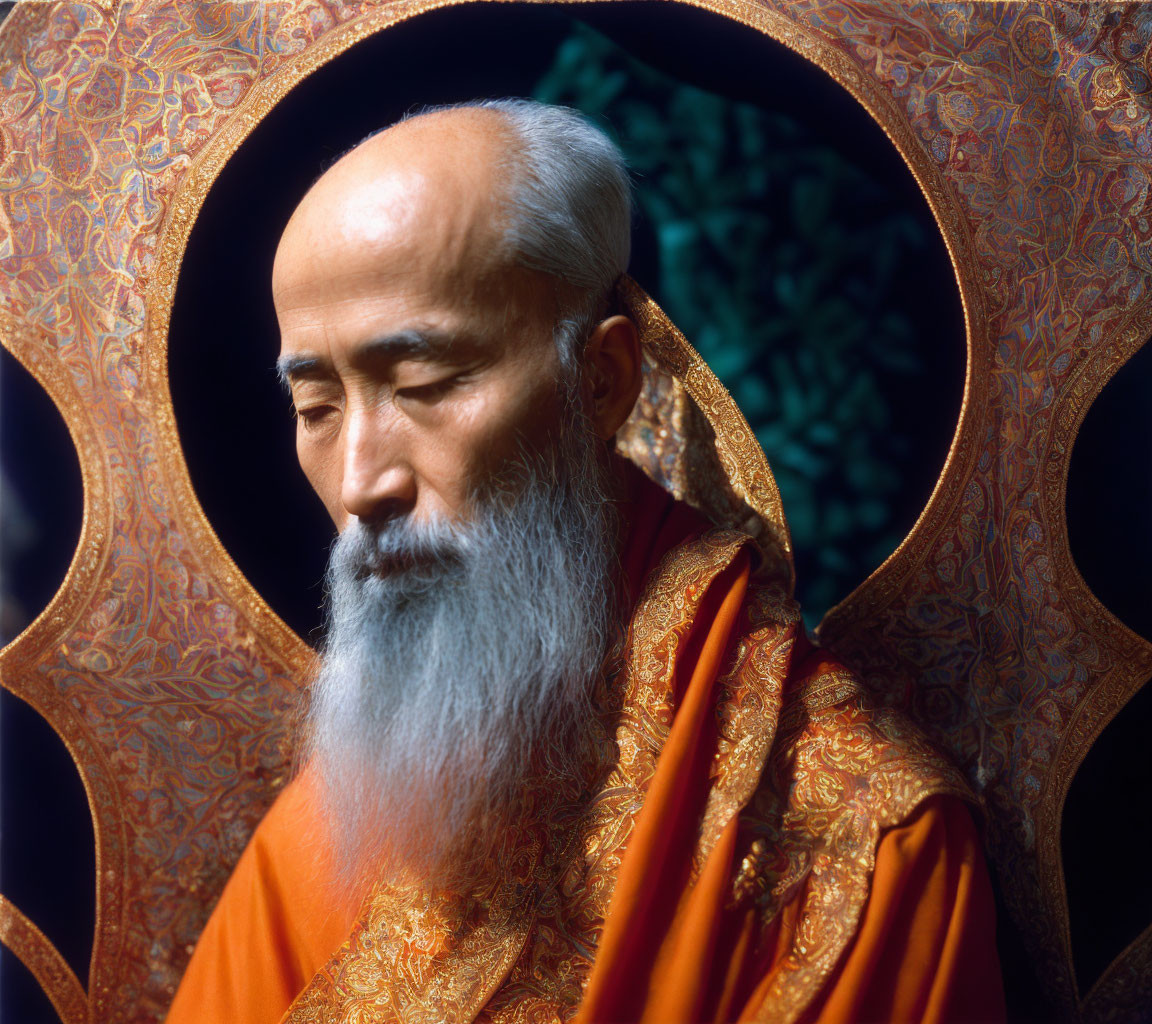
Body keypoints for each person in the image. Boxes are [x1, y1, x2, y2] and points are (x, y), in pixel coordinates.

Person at [166, 99, 1004, 1024]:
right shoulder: (342, 827)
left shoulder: (859, 846)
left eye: (424, 386)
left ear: (601, 380)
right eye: (317, 409)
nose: (363, 483)